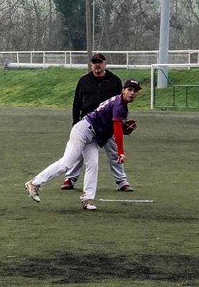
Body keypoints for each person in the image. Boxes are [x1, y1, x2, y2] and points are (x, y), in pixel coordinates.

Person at [26, 80, 142, 211]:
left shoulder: (120, 103)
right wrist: (121, 151)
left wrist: (120, 127)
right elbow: (116, 129)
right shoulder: (119, 104)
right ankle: (34, 183)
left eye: (135, 90)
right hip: (83, 130)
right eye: (130, 89)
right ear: (123, 90)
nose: (132, 93)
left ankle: (88, 199)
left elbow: (113, 125)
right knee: (66, 163)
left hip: (92, 135)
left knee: (93, 165)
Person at [59, 54, 130, 193]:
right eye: (94, 62)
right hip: (87, 122)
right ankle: (70, 178)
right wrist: (75, 121)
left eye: (100, 62)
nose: (97, 65)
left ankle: (122, 181)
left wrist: (123, 121)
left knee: (114, 151)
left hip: (108, 124)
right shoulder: (84, 81)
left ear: (105, 64)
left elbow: (121, 103)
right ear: (91, 65)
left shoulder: (114, 81)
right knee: (78, 152)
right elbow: (77, 102)